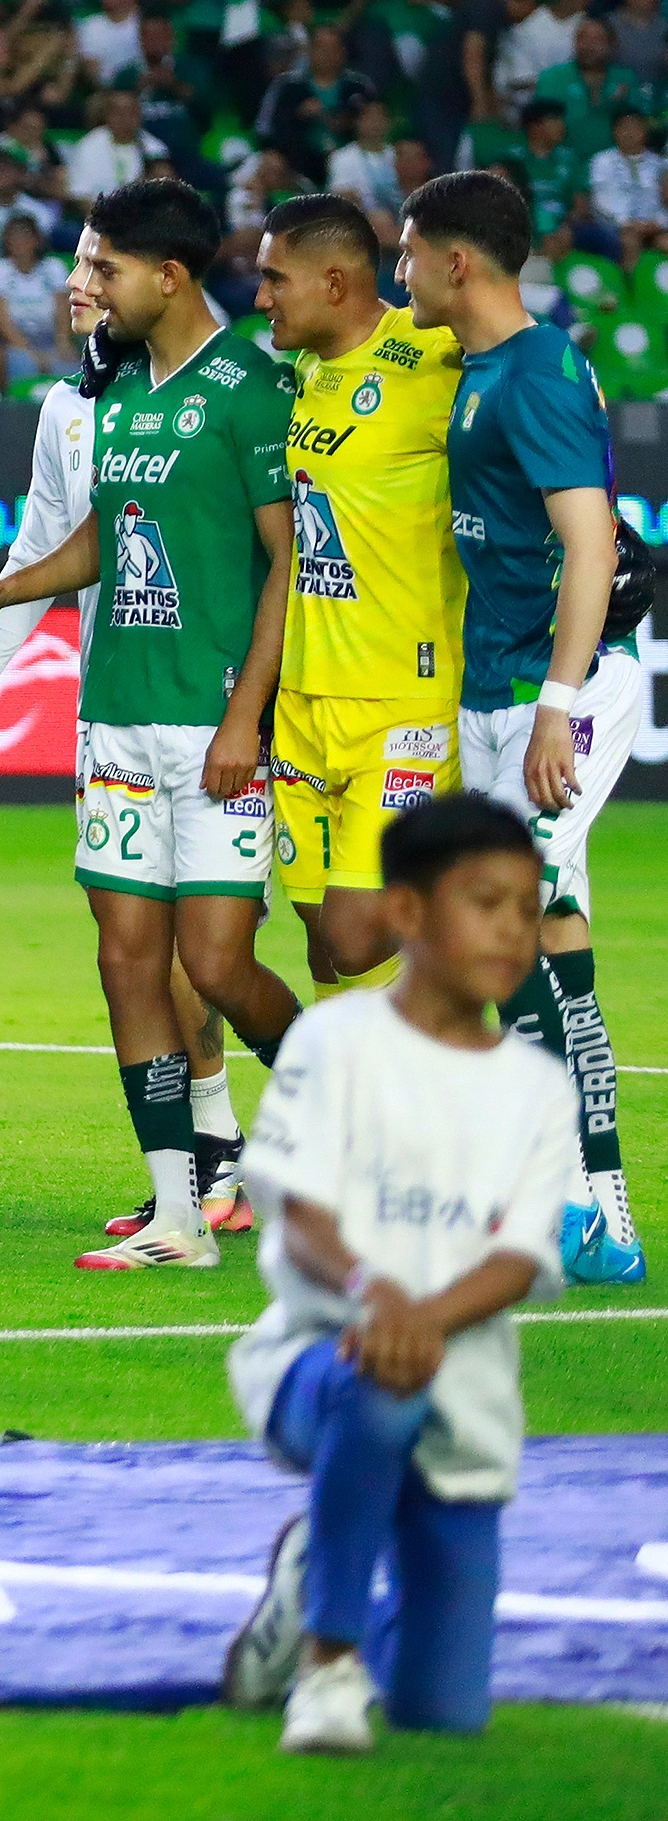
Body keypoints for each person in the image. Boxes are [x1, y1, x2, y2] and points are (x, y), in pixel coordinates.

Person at [0, 180, 301, 1270]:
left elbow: (289, 560)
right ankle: (177, 1214)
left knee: (218, 965)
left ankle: (333, 1116)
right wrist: (8, 595)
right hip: (114, 720)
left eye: (105, 269)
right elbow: (104, 539)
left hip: (213, 730)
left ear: (171, 275)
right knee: (126, 964)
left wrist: (248, 713)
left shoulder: (250, 388)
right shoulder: (118, 397)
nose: (85, 287)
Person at [217, 794, 576, 1756]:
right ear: (408, 913)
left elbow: (520, 1255)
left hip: (467, 1403)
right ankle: (329, 1664)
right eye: (485, 901)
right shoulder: (337, 1043)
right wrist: (378, 1300)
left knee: (441, 1710)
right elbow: (301, 1219)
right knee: (379, 1389)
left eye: (526, 907)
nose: (512, 928)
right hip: (321, 1361)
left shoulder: (540, 1088)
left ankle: (313, 1564)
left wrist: (416, 1318)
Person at [400, 170, 645, 1286]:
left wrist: (558, 703)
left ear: (458, 262)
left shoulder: (537, 373)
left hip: (561, 693)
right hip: (495, 687)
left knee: (494, 927)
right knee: (548, 934)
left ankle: (555, 1198)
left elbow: (590, 545)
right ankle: (604, 1217)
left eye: (407, 253)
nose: (400, 272)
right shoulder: (480, 366)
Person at [253, 196, 467, 990]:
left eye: (275, 278)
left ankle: (476, 938)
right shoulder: (303, 372)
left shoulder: (435, 356)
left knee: (353, 932)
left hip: (404, 702)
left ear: (335, 282)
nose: (261, 296)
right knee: (324, 949)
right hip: (306, 704)